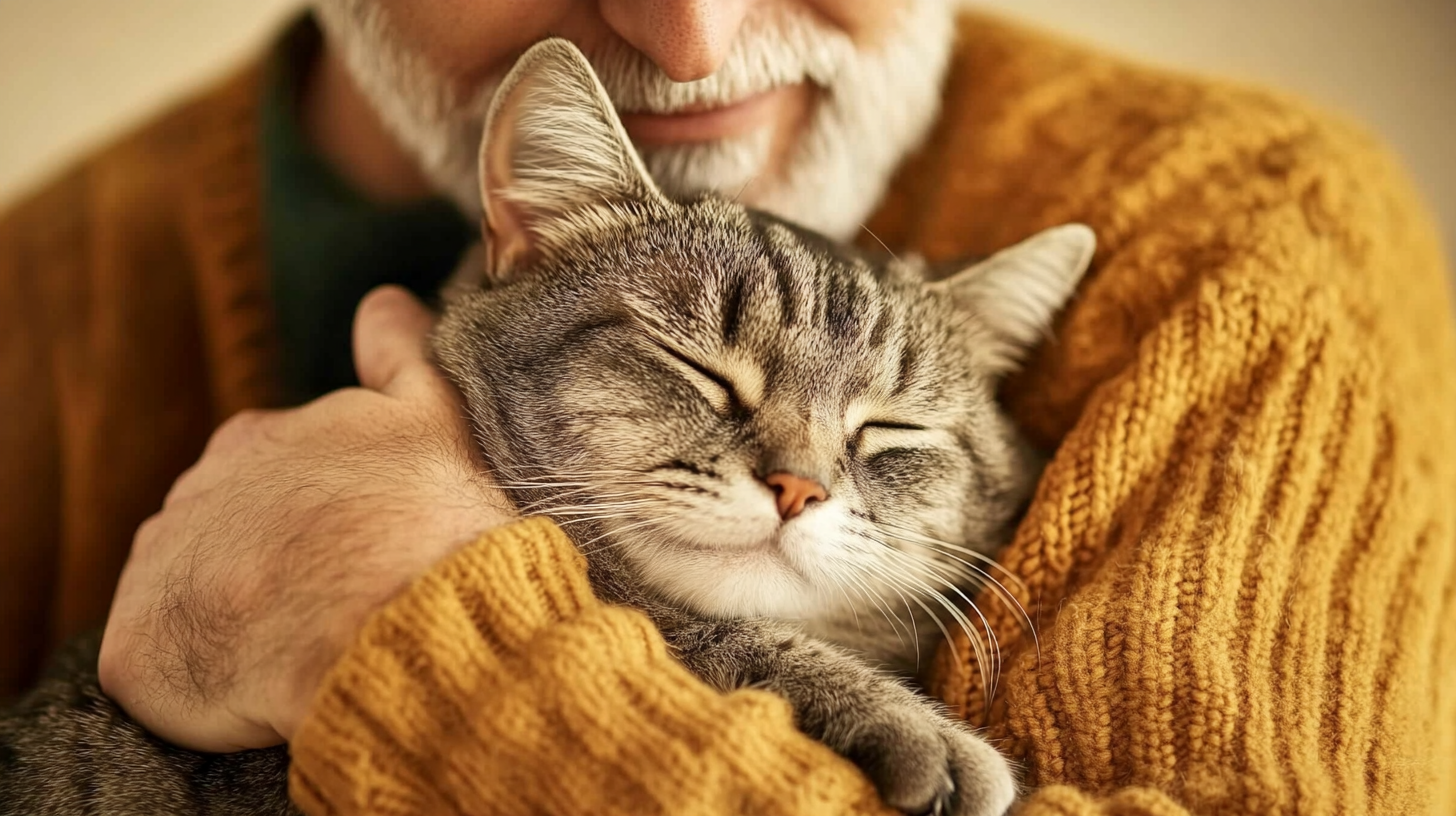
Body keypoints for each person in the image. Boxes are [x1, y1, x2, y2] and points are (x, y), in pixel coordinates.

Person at [1, 1, 1453, 814]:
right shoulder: (32, 286)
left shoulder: (1252, 234)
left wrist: (403, 615)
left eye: (880, 439)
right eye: (702, 377)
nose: (690, 38)